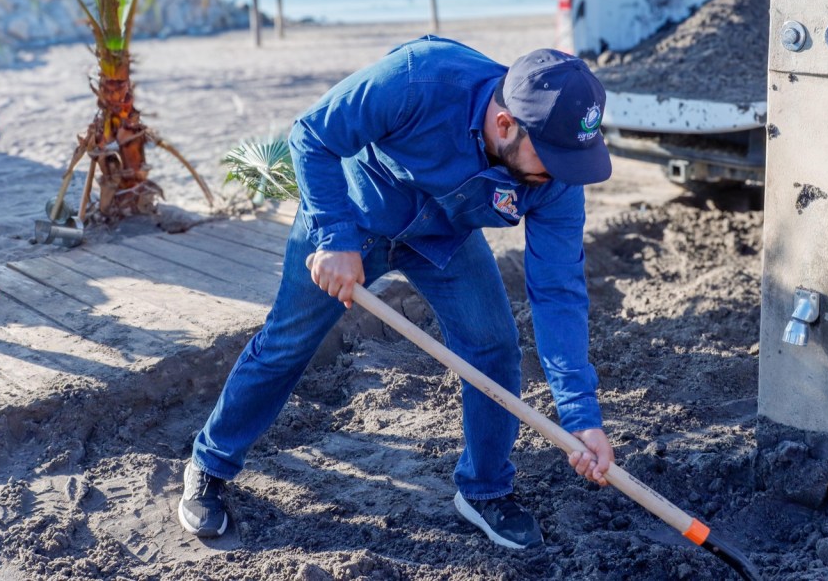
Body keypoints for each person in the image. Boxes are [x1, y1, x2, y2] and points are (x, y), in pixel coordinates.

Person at [178, 35, 615, 550]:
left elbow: (559, 292)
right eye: (553, 160)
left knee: (493, 348)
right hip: (356, 218)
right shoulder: (417, 78)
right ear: (505, 125)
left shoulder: (558, 176)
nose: (561, 175)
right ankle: (209, 464)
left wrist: (581, 416)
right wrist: (334, 238)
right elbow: (312, 135)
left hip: (444, 236)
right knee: (287, 342)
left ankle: (485, 490)